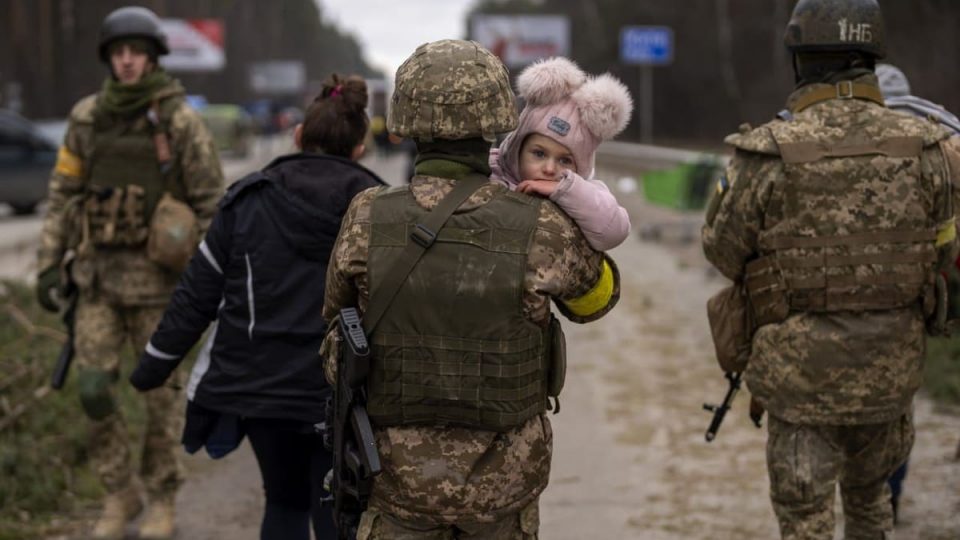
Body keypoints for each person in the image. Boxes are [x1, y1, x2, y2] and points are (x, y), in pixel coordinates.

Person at [321, 39, 621, 539]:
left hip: (395, 484)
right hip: (502, 492)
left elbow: (333, 318)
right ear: (498, 119)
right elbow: (597, 301)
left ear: (406, 120)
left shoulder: (366, 213)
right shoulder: (542, 223)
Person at [701, 1, 960, 539]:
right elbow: (940, 253)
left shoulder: (768, 152)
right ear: (871, 58)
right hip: (890, 377)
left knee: (805, 519)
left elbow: (722, 252)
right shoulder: (929, 148)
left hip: (800, 384)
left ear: (800, 60)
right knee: (871, 505)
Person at [128, 75, 385, 540]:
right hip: (346, 394)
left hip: (262, 394)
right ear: (360, 148)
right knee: (340, 509)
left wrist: (153, 366)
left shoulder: (247, 201)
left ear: (298, 137)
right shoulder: (382, 211)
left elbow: (197, 295)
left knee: (283, 503)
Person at [34, 6, 224, 539]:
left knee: (161, 400)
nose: (127, 61)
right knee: (93, 389)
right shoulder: (87, 118)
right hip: (96, 281)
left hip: (159, 289)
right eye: (119, 52)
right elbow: (62, 193)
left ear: (153, 56)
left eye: (136, 52)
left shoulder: (179, 121)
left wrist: (204, 275)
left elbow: (212, 202)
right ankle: (120, 493)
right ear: (109, 58)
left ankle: (161, 496)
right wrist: (50, 263)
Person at [874, 62, 960, 524]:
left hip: (853, 293)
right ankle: (889, 495)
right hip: (913, 297)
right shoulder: (939, 137)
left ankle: (867, 496)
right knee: (897, 403)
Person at [490, 57, 632, 251]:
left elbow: (614, 231)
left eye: (565, 160)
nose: (549, 169)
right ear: (517, 148)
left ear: (580, 167)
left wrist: (566, 190)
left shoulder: (585, 194)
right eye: (539, 154)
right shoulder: (492, 172)